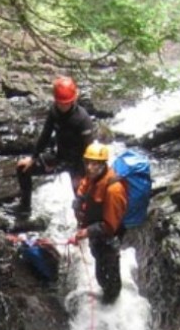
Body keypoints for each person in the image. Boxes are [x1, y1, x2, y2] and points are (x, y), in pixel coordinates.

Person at [10, 76, 96, 216]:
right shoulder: (54, 111)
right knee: (23, 167)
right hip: (59, 157)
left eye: (66, 103)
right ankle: (25, 207)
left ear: (73, 100)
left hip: (78, 163)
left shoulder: (82, 119)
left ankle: (83, 226)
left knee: (80, 201)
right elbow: (45, 135)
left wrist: (84, 175)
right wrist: (34, 158)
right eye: (60, 103)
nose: (62, 107)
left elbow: (90, 150)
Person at [73, 141, 128, 304]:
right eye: (88, 163)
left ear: (103, 164)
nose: (90, 167)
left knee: (109, 276)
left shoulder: (114, 189)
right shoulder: (92, 177)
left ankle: (112, 302)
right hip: (96, 235)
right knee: (99, 268)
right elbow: (83, 188)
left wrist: (87, 232)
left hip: (109, 237)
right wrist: (79, 200)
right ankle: (107, 295)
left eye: (95, 164)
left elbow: (110, 226)